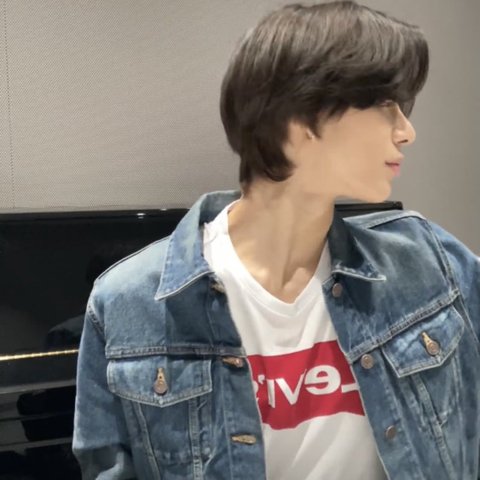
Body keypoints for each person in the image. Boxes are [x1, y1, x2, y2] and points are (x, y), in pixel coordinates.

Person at [72, 1, 480, 479]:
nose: (406, 132)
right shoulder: (130, 304)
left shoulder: (430, 263)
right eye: (386, 104)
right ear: (300, 117)